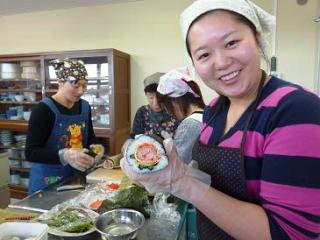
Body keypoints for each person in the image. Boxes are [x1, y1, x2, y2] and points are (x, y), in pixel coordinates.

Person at [121, 0, 320, 239]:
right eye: (204, 54)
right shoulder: (214, 109)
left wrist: (183, 182)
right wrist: (172, 172)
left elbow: (289, 234)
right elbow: (213, 185)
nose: (222, 62)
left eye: (232, 43)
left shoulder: (295, 110)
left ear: (258, 38)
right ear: (194, 64)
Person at [26, 59, 104, 194]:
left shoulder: (84, 107)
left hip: (76, 178)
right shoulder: (43, 110)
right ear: (60, 82)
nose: (81, 91)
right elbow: (31, 152)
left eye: (84, 86)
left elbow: (90, 137)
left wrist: (97, 148)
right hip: (47, 182)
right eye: (76, 85)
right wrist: (66, 155)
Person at [157, 66, 205, 164]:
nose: (168, 112)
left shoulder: (190, 125)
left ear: (175, 101)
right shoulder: (208, 114)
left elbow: (177, 165)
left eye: (166, 106)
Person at [121, 72, 179, 152]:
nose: (156, 103)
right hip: (146, 157)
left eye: (159, 98)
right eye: (151, 98)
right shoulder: (142, 112)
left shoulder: (176, 112)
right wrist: (129, 142)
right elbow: (135, 136)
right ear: (146, 95)